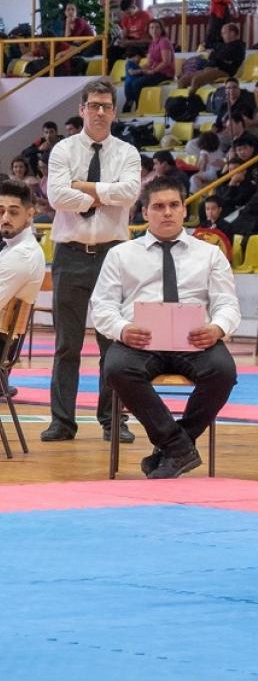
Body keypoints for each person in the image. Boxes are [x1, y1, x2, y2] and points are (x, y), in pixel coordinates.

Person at [91, 177, 240, 479]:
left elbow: (228, 304)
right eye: (158, 206)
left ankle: (173, 447)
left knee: (223, 372)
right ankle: (177, 446)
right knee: (116, 367)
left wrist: (217, 328)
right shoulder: (121, 254)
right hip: (140, 340)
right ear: (144, 212)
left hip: (195, 340)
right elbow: (102, 306)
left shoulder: (209, 254)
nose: (167, 212)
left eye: (174, 205)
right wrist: (122, 329)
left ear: (185, 210)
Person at [42, 79, 141, 444]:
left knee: (113, 344)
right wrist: (102, 195)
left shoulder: (128, 153)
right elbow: (57, 197)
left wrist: (83, 188)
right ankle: (62, 421)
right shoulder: (62, 150)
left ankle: (113, 419)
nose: (99, 112)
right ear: (82, 109)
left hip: (114, 256)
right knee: (67, 344)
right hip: (70, 254)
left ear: (114, 112)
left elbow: (130, 192)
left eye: (106, 106)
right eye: (93, 105)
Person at [0, 179, 46, 316]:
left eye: (13, 212)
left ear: (30, 214)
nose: (5, 219)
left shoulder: (22, 254)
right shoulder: (15, 247)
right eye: (1, 211)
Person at [122, 19, 174, 113]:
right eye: (152, 28)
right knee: (129, 65)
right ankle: (129, 100)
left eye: (157, 27)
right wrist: (140, 70)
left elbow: (166, 62)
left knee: (136, 83)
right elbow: (149, 63)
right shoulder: (152, 43)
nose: (154, 30)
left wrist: (152, 71)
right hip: (152, 71)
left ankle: (138, 106)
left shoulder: (164, 41)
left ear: (161, 30)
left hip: (163, 73)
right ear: (149, 30)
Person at [178, 22, 246, 94]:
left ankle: (191, 100)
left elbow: (223, 57)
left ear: (232, 33)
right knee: (183, 80)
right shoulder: (223, 45)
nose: (222, 35)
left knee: (196, 80)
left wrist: (213, 55)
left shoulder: (238, 47)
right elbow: (217, 55)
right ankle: (179, 100)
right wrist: (214, 54)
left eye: (224, 33)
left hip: (224, 71)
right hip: (211, 68)